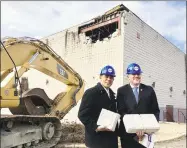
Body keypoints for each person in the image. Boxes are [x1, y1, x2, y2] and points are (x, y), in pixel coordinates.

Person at [116, 63, 160, 148]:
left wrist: (150, 129)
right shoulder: (122, 91)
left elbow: (155, 111)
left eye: (138, 74)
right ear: (128, 76)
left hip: (146, 135)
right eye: (133, 74)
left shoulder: (149, 90)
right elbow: (121, 111)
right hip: (127, 134)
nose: (136, 76)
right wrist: (135, 127)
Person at [78, 65, 118, 148]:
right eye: (106, 76)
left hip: (111, 139)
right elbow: (82, 115)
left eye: (111, 77)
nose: (109, 79)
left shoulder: (112, 94)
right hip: (97, 140)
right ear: (100, 77)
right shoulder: (91, 93)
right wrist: (96, 127)